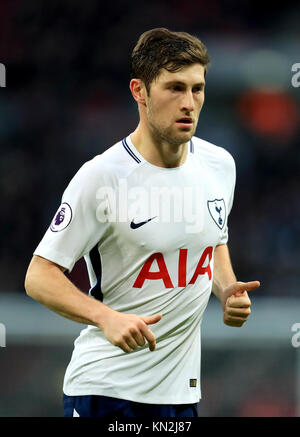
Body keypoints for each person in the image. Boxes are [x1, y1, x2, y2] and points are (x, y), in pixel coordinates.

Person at [24, 28, 260, 418]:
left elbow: (213, 238)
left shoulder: (220, 165)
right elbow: (38, 275)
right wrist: (107, 318)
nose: (188, 103)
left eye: (197, 89)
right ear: (139, 91)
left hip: (181, 395)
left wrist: (226, 287)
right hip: (107, 390)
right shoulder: (102, 177)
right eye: (174, 88)